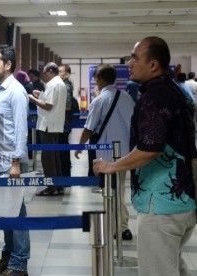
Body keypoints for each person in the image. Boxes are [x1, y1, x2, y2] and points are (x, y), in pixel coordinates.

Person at [93, 37, 197, 276]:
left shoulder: (155, 97)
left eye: (135, 58)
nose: (129, 63)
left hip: (161, 205)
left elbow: (150, 148)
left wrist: (112, 166)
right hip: (181, 201)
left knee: (157, 271)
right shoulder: (174, 91)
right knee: (173, 266)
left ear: (153, 64)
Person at [75, 64, 134, 241]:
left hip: (106, 155)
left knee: (110, 191)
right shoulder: (126, 98)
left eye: (96, 79)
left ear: (100, 79)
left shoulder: (100, 100)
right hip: (125, 153)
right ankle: (121, 225)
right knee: (119, 189)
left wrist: (79, 146)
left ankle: (119, 227)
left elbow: (89, 128)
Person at [0, 44, 30, 276]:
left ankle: (19, 264)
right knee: (6, 212)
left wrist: (16, 163)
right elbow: (0, 125)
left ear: (8, 65)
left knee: (17, 214)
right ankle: (9, 257)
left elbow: (21, 130)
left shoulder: (16, 91)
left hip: (11, 164)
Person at [29, 62, 67, 196]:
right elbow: (52, 102)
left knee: (47, 157)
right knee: (55, 157)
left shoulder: (52, 84)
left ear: (51, 71)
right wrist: (40, 95)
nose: (43, 75)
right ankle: (58, 185)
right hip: (55, 124)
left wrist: (33, 99)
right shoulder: (60, 83)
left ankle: (51, 187)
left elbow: (48, 105)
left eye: (44, 72)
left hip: (47, 125)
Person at [58, 64, 74, 181]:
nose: (59, 74)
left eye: (61, 72)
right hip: (62, 123)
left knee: (63, 152)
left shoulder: (66, 86)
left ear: (67, 74)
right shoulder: (63, 84)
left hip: (63, 123)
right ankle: (64, 176)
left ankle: (65, 177)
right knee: (62, 151)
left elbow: (67, 106)